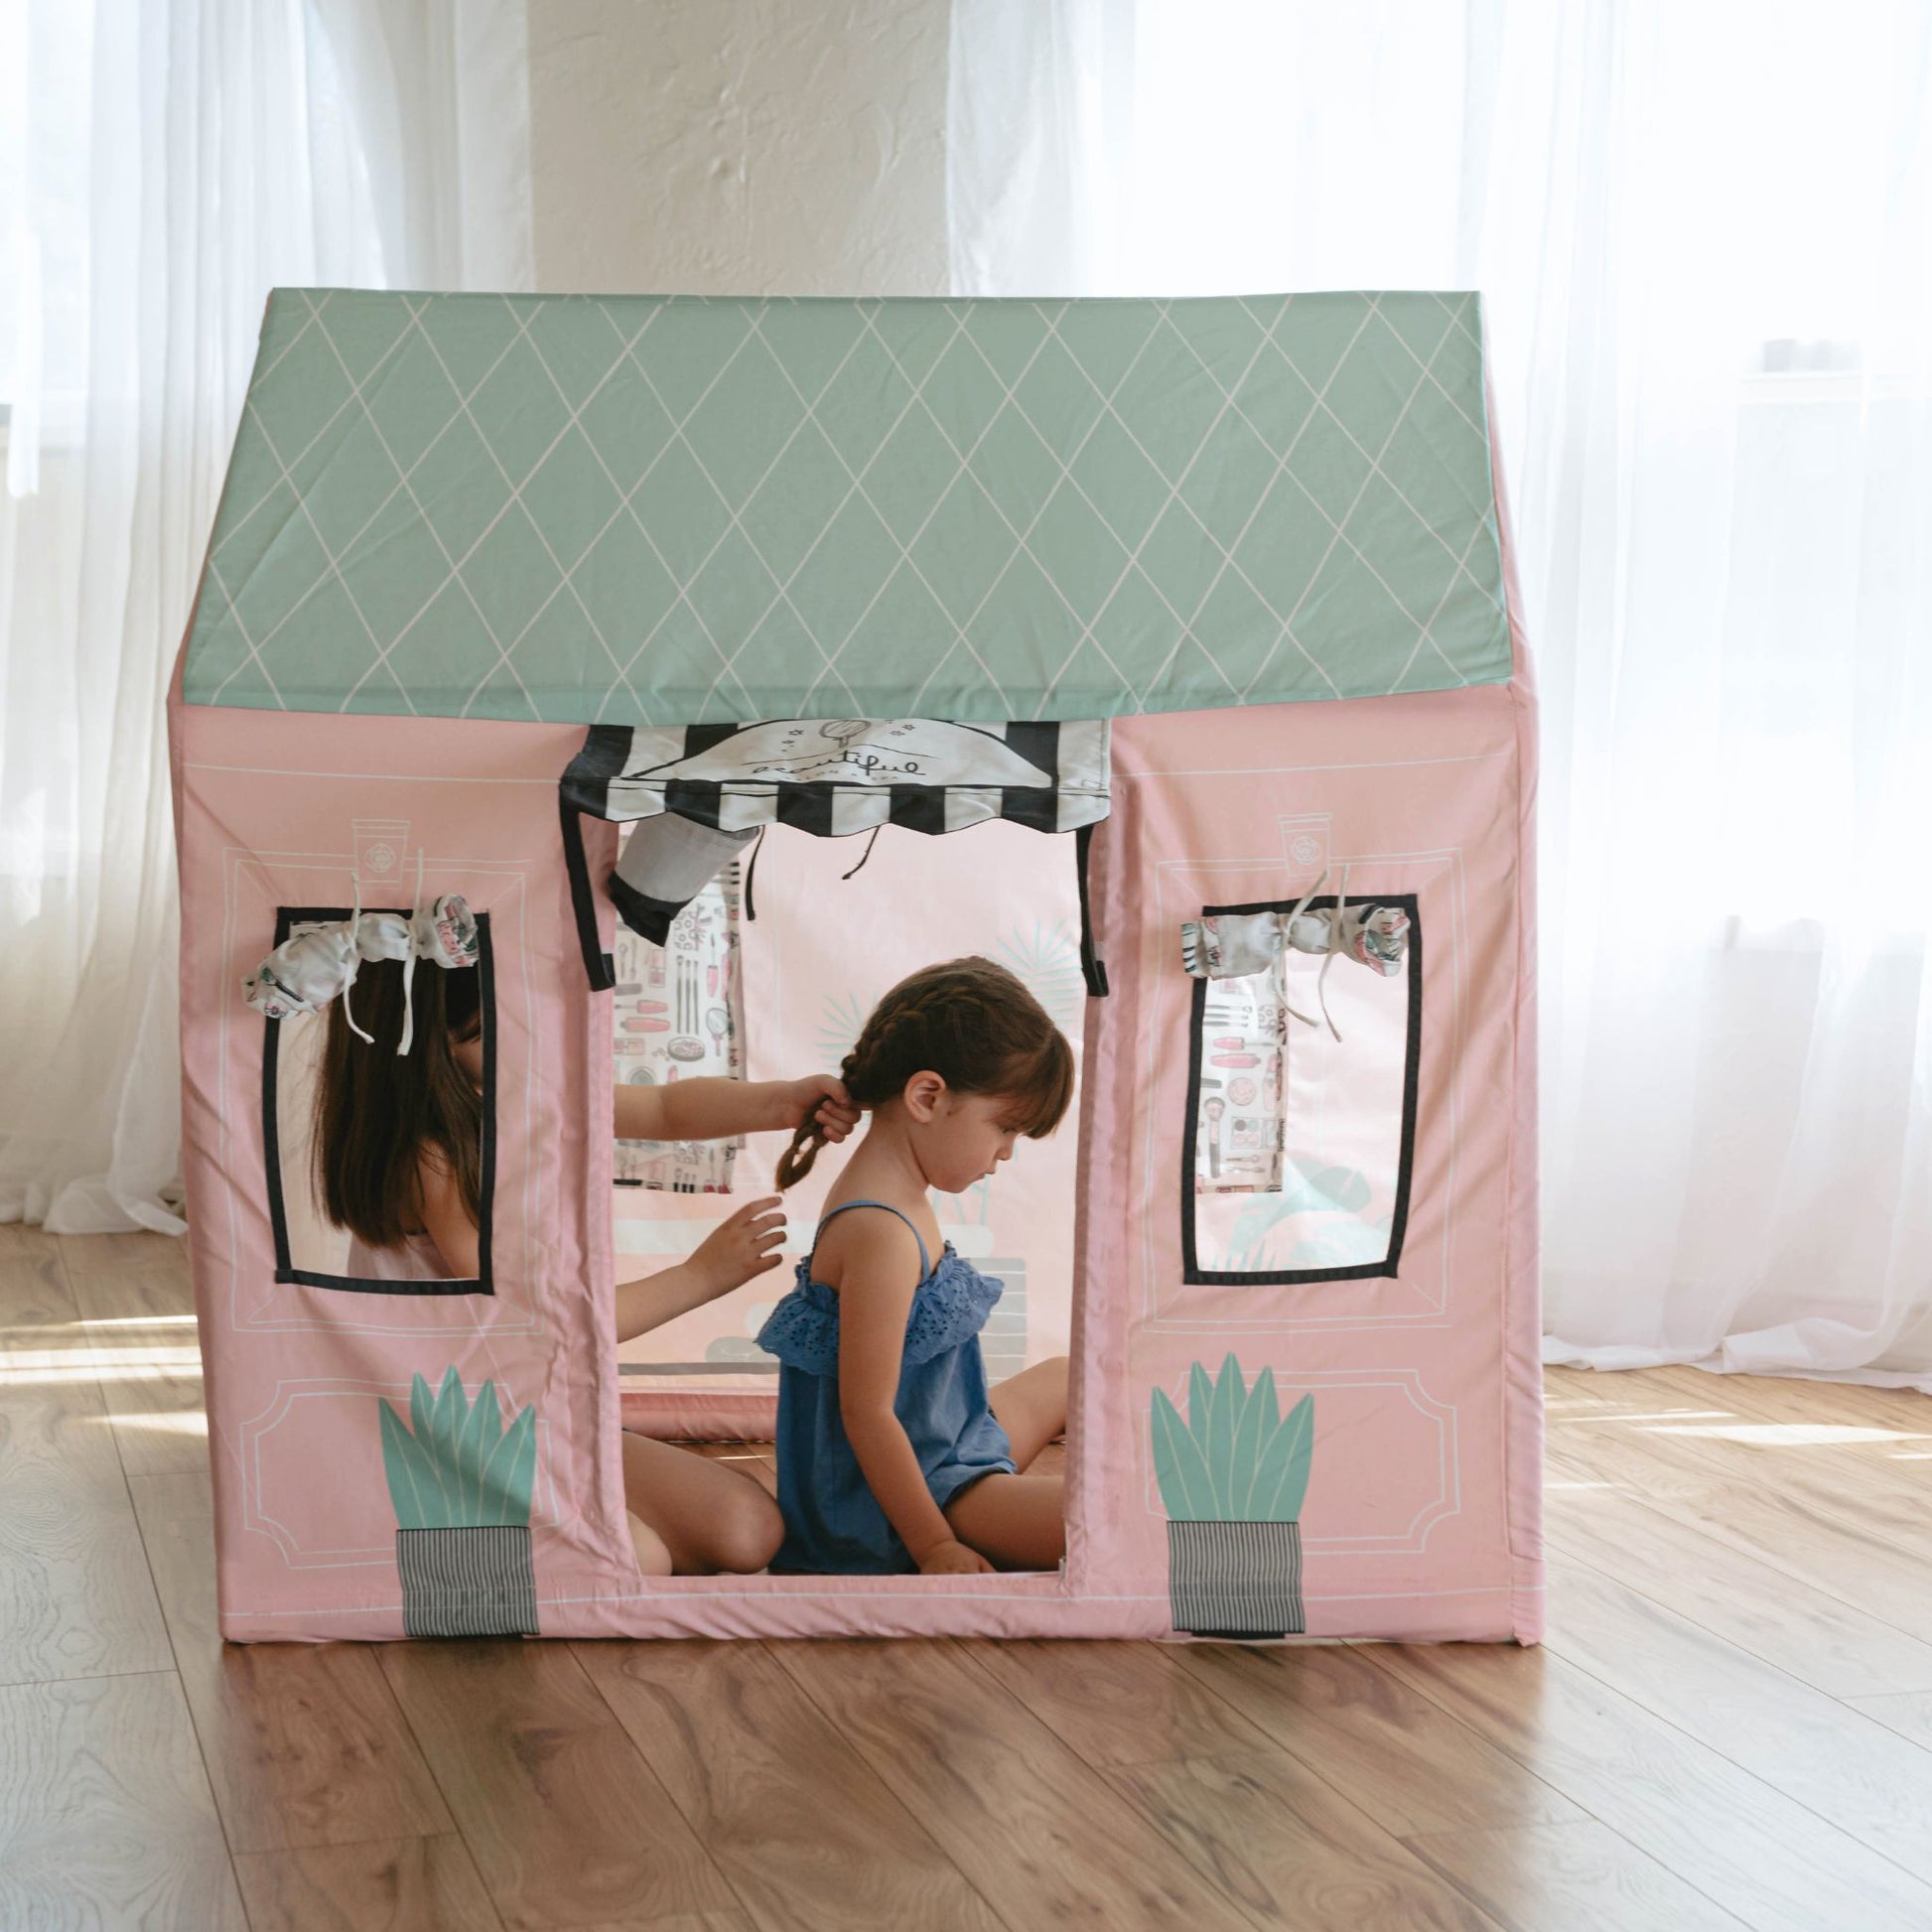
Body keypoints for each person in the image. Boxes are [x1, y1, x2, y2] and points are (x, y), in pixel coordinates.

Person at [309, 951, 858, 1577]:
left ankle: (527, 1530)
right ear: (425, 1049)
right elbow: (539, 1324)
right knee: (640, 1557)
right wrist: (701, 1275)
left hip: (532, 1408)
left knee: (748, 1530)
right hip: (451, 1433)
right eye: (489, 1032)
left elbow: (663, 1110)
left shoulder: (518, 1088)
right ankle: (450, 1549)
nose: (524, 1042)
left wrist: (783, 1102)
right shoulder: (432, 1162)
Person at [757, 957, 1072, 1577]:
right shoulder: (880, 1232)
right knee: (1122, 1525)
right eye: (1005, 1128)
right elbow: (867, 1415)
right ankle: (979, 1519)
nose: (1005, 1153)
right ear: (927, 1097)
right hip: (918, 1497)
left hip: (952, 1434)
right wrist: (935, 1546)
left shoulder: (899, 1196)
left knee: (1073, 1374)